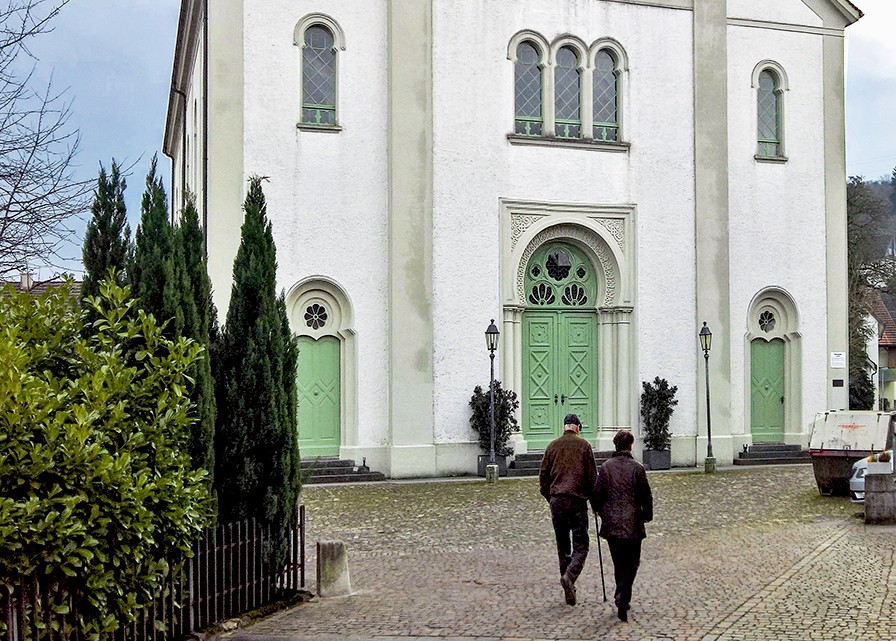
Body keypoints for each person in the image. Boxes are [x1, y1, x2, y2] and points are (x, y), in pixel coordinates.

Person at [592, 429, 653, 622]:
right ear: (630, 446)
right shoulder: (637, 468)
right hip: (633, 523)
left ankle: (622, 595)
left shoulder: (606, 467)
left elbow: (596, 494)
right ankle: (622, 595)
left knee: (619, 563)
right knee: (632, 562)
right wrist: (647, 516)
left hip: (612, 524)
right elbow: (646, 496)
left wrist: (601, 512)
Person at [539, 413, 597, 606]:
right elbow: (592, 479)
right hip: (577, 501)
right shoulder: (584, 446)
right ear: (578, 427)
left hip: (557, 501)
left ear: (564, 427)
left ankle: (567, 582)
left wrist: (550, 497)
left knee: (563, 545)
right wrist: (595, 504)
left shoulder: (552, 446)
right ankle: (570, 577)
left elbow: (543, 476)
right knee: (581, 545)